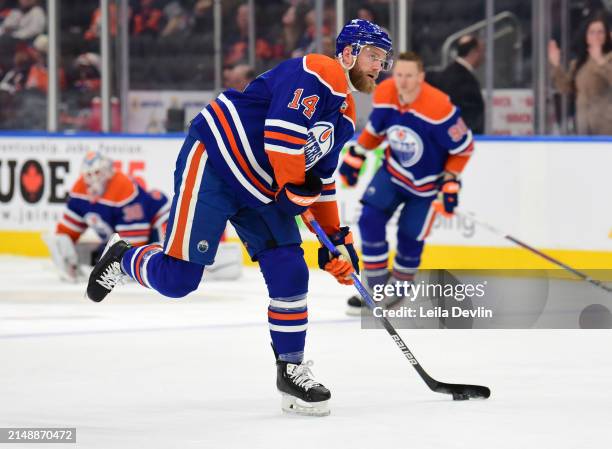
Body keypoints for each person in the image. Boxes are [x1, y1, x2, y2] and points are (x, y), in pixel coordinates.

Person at [85, 19, 393, 417]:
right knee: (178, 280)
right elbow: (281, 138)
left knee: (291, 272)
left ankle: (291, 370)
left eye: (382, 60)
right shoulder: (319, 70)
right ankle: (125, 257)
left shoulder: (346, 114)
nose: (378, 66)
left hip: (263, 186)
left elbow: (322, 180)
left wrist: (336, 239)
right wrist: (293, 186)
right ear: (349, 52)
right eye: (372, 55)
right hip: (216, 161)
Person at [338, 51, 474, 314]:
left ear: (421, 77)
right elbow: (376, 129)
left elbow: (463, 149)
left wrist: (450, 181)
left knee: (410, 235)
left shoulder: (439, 108)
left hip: (426, 186)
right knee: (369, 219)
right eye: (399, 74)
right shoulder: (386, 91)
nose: (403, 81)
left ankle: (399, 287)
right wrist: (358, 154)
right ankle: (376, 288)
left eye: (410, 75)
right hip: (393, 171)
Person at [47, 151, 170, 283]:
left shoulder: (122, 186)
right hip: (125, 233)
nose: (93, 179)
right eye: (89, 174)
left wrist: (123, 264)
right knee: (99, 256)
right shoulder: (79, 189)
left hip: (156, 222)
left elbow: (135, 241)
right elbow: (68, 230)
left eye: (98, 173)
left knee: (157, 260)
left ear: (108, 172)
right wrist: (64, 251)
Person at [549, 15, 612, 134]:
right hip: (583, 125)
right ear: (586, 37)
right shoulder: (579, 63)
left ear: (606, 36)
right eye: (592, 32)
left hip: (606, 127)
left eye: (600, 32)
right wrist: (556, 65)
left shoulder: (609, 59)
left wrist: (600, 61)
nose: (596, 36)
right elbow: (565, 88)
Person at [430, 35, 484, 134]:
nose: (483, 56)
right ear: (473, 52)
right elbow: (471, 116)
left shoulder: (448, 72)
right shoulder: (465, 79)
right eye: (481, 51)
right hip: (460, 139)